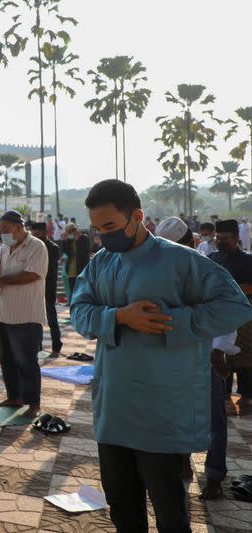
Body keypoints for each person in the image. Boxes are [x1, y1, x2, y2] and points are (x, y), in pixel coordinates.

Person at [70, 180, 252, 532]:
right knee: (123, 507)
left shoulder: (182, 260)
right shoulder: (101, 262)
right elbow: (80, 312)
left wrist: (172, 321)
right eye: (97, 229)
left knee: (170, 510)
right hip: (114, 408)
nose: (103, 236)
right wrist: (120, 317)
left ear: (136, 216)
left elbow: (235, 307)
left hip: (161, 411)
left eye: (109, 227)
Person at [155, 215, 233, 500]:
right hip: (172, 357)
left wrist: (218, 351)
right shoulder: (161, 274)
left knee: (214, 421)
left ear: (191, 243)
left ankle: (214, 476)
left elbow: (227, 315)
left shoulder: (209, 272)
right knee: (174, 414)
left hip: (205, 355)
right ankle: (182, 461)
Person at [0, 210, 48, 418]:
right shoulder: (4, 247)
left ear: (19, 228)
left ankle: (33, 403)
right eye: (0, 230)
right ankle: (14, 397)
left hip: (25, 315)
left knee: (26, 361)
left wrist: (2, 280)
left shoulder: (36, 247)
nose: (2, 234)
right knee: (7, 359)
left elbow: (32, 274)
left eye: (6, 230)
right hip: (4, 313)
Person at [210, 219, 252, 415]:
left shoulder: (247, 260)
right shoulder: (212, 258)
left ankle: (246, 397)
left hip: (243, 318)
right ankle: (224, 396)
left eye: (225, 238)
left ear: (236, 237)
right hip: (217, 315)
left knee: (244, 359)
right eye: (218, 238)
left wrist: (228, 289)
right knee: (218, 355)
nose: (220, 241)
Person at [30, 222, 63, 357]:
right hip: (35, 287)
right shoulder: (32, 247)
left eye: (37, 234)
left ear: (44, 233)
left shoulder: (53, 248)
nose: (35, 237)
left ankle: (57, 345)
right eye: (33, 234)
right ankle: (38, 346)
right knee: (36, 318)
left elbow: (48, 269)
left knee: (51, 318)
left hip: (48, 287)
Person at [60, 222, 90, 297]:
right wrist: (64, 241)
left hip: (81, 268)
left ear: (73, 231)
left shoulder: (84, 238)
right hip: (71, 269)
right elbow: (65, 251)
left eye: (68, 232)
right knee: (73, 290)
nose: (68, 234)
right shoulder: (70, 240)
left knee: (82, 290)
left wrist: (77, 240)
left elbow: (84, 253)